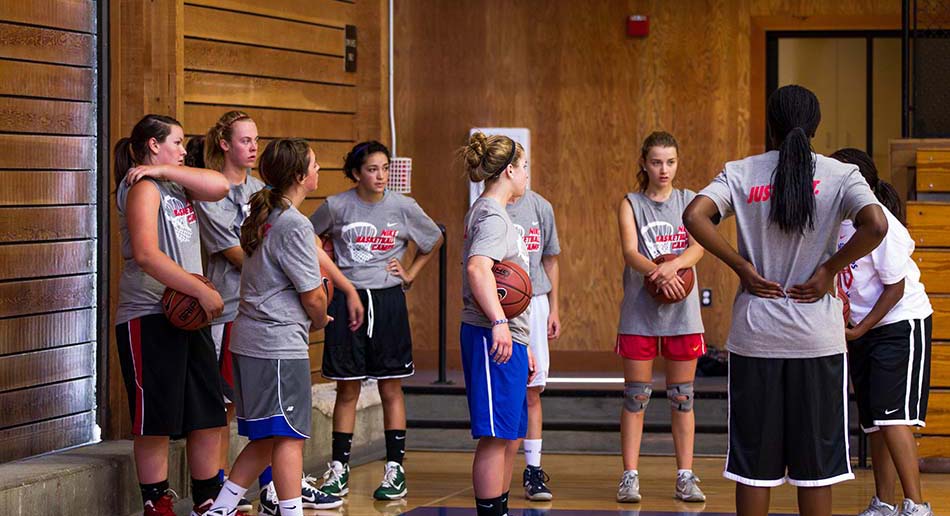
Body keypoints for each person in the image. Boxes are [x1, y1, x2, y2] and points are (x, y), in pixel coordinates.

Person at [682, 84, 888, 516]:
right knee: (816, 471)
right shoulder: (841, 175)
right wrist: (829, 270)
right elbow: (876, 224)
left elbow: (694, 215)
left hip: (756, 336)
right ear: (816, 126)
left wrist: (741, 266)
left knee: (754, 469)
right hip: (817, 340)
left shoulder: (740, 172)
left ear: (770, 126)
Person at [204, 138, 342, 516]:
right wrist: (320, 319)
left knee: (267, 438)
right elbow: (313, 295)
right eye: (314, 164)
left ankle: (220, 509)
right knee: (289, 436)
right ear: (299, 176)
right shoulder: (294, 224)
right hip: (276, 344)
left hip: (251, 340)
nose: (318, 170)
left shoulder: (265, 215)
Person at [311, 140, 443, 501]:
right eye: (372, 169)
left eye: (385, 168)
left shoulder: (403, 207)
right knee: (347, 389)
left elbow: (433, 239)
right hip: (347, 299)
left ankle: (395, 469)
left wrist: (410, 272)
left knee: (390, 387)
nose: (381, 175)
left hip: (387, 301)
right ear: (356, 173)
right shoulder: (335, 206)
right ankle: (339, 469)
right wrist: (330, 272)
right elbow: (306, 238)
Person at [113, 114, 230, 516]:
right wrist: (199, 289)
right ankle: (156, 500)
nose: (183, 150)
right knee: (156, 419)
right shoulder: (142, 188)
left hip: (189, 315)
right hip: (149, 314)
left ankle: (208, 498)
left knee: (207, 413)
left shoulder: (174, 183)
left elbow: (221, 185)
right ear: (153, 144)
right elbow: (146, 254)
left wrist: (164, 169)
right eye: (176, 143)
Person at [832, 148, 934, 516]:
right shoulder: (838, 222)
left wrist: (861, 328)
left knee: (893, 418)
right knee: (875, 423)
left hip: (899, 323)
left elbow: (895, 288)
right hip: (863, 328)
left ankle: (917, 505)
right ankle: (884, 504)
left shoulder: (881, 222)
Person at [615, 131, 706, 503]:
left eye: (670, 162)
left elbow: (699, 247)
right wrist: (659, 272)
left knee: (682, 398)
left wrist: (675, 266)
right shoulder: (631, 203)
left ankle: (685, 477)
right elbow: (630, 251)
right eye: (656, 162)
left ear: (677, 162)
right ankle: (629, 477)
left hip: (682, 315)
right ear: (644, 163)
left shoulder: (689, 201)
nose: (663, 169)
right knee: (636, 397)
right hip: (641, 312)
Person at [459, 132, 537, 516]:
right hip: (491, 335)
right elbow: (478, 269)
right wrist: (499, 322)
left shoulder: (494, 213)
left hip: (509, 337)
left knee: (509, 435)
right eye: (524, 167)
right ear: (509, 170)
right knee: (494, 436)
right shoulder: (491, 215)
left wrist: (523, 341)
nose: (526, 175)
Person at [192, 110, 264, 515]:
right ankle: (217, 486)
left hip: (258, 309)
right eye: (244, 140)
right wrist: (278, 267)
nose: (253, 147)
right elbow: (236, 254)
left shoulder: (261, 190)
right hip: (225, 308)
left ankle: (257, 487)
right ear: (224, 144)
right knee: (220, 405)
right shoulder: (211, 191)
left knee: (250, 403)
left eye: (256, 140)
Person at [506, 186, 560, 501]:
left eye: (526, 165)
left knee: (532, 389)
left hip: (536, 301)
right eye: (519, 166)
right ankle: (499, 468)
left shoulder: (541, 207)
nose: (524, 173)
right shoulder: (488, 209)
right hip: (501, 306)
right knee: (508, 392)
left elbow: (550, 260)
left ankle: (533, 470)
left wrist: (554, 308)